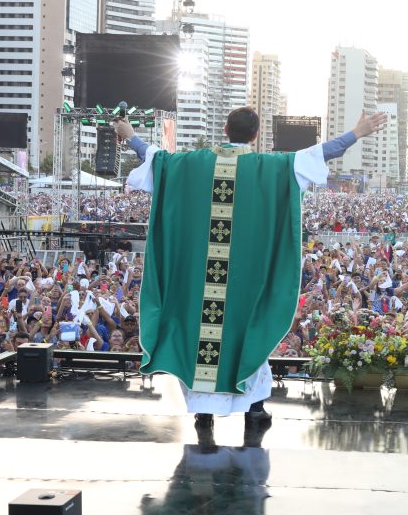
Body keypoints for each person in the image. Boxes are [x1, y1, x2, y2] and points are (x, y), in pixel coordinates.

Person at [113, 107, 386, 445]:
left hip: (201, 284)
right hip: (245, 283)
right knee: (249, 334)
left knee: (204, 339)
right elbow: (322, 152)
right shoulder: (270, 168)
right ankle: (255, 409)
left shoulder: (191, 164)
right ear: (256, 135)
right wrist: (357, 131)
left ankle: (204, 416)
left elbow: (154, 157)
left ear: (225, 129)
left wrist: (128, 134)